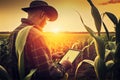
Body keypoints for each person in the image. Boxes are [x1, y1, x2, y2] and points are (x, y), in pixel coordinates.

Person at [8, 0, 72, 80]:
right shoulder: (37, 35)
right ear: (42, 15)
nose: (46, 23)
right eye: (47, 19)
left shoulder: (15, 31)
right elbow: (48, 75)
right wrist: (64, 65)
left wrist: (50, 57)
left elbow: (23, 60)